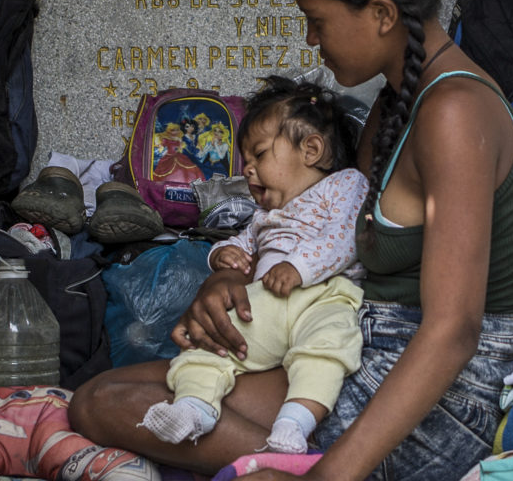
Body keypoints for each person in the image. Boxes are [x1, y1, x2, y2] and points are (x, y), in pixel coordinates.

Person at [68, 0, 513, 481]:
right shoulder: (395, 104)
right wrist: (232, 278)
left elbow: (454, 331)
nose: (310, 40)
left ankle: (315, 466)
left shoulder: (455, 112)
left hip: (443, 403)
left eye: (317, 20)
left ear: (381, 14)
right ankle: (294, 453)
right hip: (352, 341)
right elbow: (328, 236)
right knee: (101, 395)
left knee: (109, 405)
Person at [139, 76, 369, 455]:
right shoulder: (265, 216)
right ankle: (195, 408)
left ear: (311, 150)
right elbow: (242, 243)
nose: (247, 170)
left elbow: (348, 236)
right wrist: (222, 255)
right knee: (207, 347)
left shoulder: (344, 185)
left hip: (325, 297)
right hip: (266, 303)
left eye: (259, 155)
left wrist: (298, 267)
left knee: (327, 351)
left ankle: (294, 425)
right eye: (246, 162)